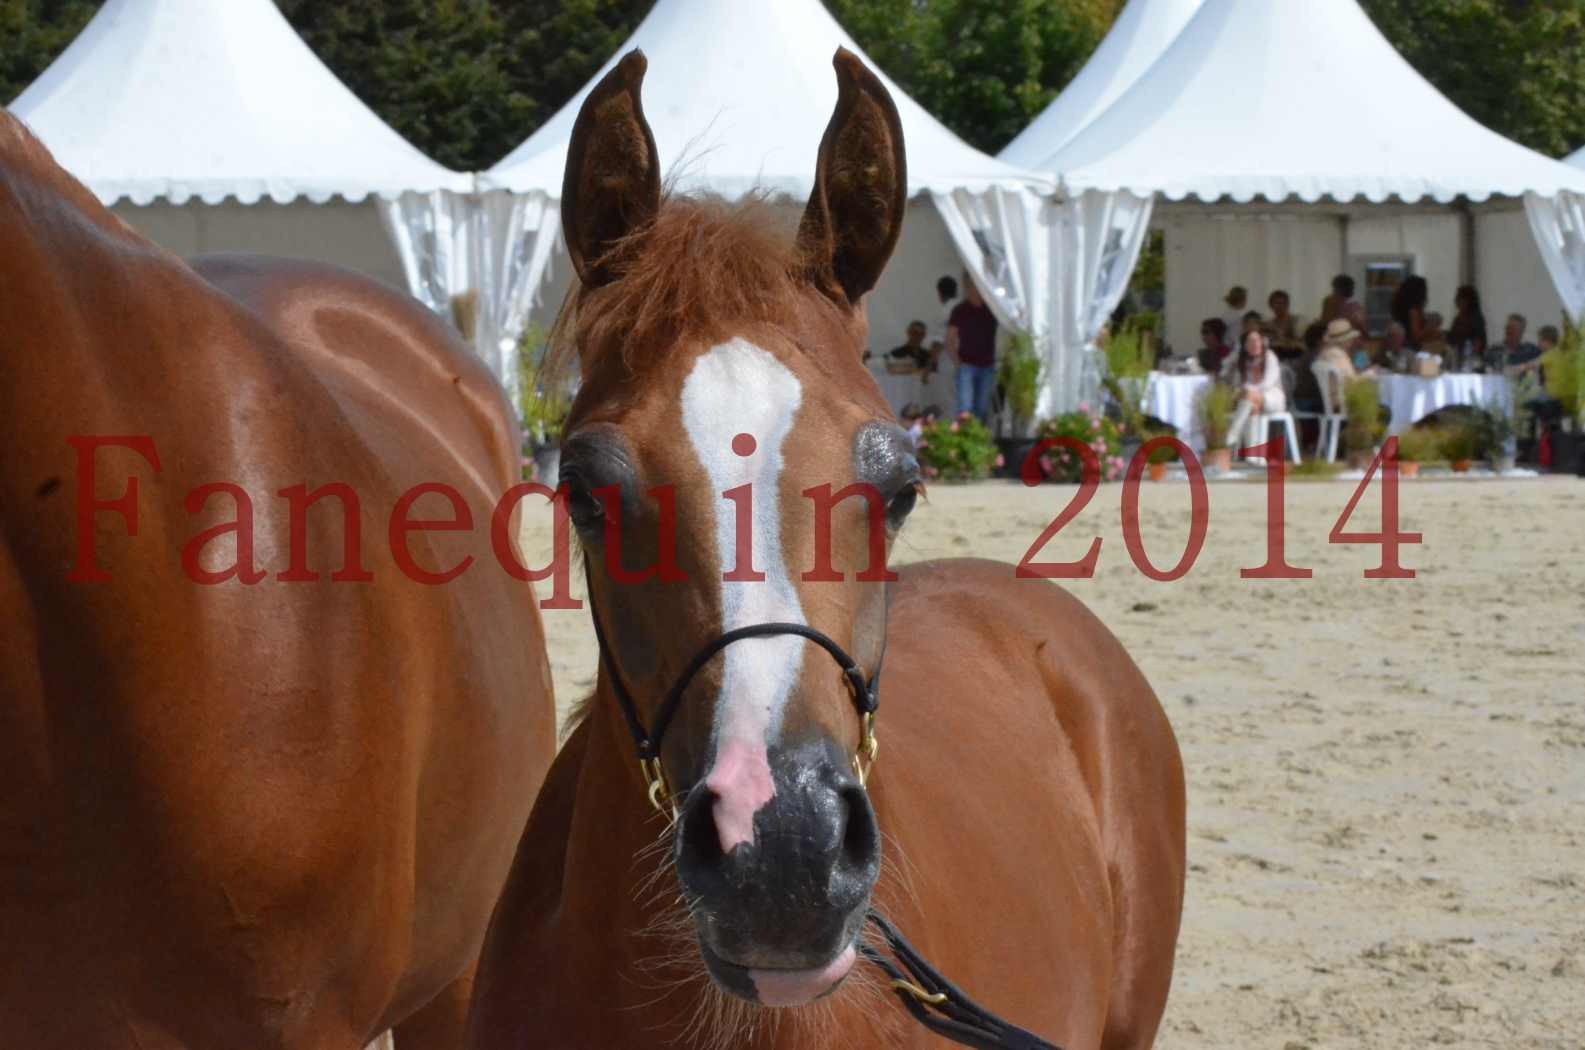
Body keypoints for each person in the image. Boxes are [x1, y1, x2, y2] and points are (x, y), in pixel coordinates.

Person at [1223, 321, 1284, 453]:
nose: (1255, 344)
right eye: (1250, 342)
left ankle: (1232, 434)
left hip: (1271, 397)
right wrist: (1234, 355)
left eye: (1257, 340)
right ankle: (1253, 455)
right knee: (1251, 406)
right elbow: (1229, 375)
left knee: (1248, 397)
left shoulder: (1270, 357)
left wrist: (1247, 390)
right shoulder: (1242, 360)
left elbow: (1267, 383)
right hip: (1251, 400)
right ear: (1244, 346)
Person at [945, 272, 998, 420]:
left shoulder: (992, 309)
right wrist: (958, 362)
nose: (972, 288)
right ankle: (964, 439)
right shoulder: (960, 310)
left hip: (987, 366)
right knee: (965, 408)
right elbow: (949, 339)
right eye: (969, 284)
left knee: (981, 408)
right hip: (967, 365)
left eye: (975, 284)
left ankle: (977, 439)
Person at [1448, 285, 1488, 363]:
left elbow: (1478, 343)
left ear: (1468, 301)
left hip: (1471, 361)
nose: (1456, 301)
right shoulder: (1458, 318)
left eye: (1460, 299)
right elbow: (1451, 339)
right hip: (1457, 358)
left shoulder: (1476, 319)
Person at [1391, 275, 1429, 349]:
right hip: (1410, 347)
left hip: (1400, 344)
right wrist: (1429, 329)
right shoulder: (1414, 309)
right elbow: (1415, 335)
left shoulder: (1400, 307)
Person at [1264, 289, 1304, 359]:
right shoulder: (1268, 324)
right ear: (1271, 305)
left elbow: (1302, 342)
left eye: (1282, 303)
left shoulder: (1297, 321)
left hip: (1295, 357)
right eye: (1276, 303)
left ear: (1287, 304)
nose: (1279, 306)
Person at [929, 274, 958, 359]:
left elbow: (938, 341)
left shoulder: (945, 312)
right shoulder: (963, 308)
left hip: (948, 359)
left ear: (939, 292)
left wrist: (928, 367)